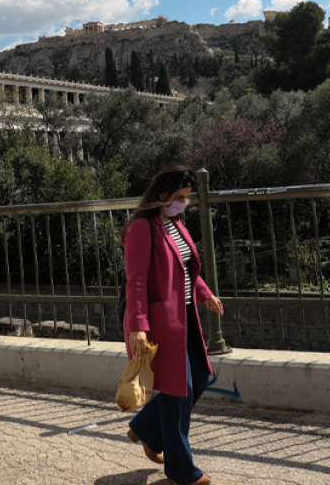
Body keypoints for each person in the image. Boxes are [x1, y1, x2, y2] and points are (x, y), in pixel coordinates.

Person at [121, 166, 224, 485]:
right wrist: (138, 325)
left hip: (185, 320)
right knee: (180, 391)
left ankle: (145, 431)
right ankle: (182, 470)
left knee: (201, 376)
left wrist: (205, 293)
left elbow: (186, 270)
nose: (183, 204)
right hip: (160, 324)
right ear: (162, 195)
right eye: (179, 197)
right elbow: (135, 281)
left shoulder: (176, 225)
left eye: (186, 199)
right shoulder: (141, 228)